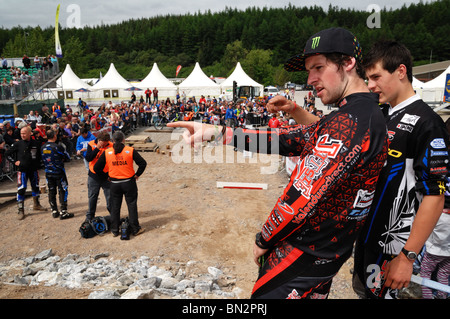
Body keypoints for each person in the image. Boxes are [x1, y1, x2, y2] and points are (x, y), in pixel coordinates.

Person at [168, 27, 389, 299]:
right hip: (323, 256)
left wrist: (265, 238)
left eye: (318, 67)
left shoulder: (351, 121)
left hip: (303, 256)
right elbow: (291, 139)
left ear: (348, 63)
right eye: (309, 70)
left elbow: (303, 193)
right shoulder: (359, 114)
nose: (311, 79)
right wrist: (219, 132)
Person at [352, 40, 450, 299]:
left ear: (401, 71)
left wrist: (407, 257)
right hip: (367, 239)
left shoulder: (428, 123)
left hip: (394, 248)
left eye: (376, 77)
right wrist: (296, 112)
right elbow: (341, 136)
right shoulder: (381, 113)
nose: (370, 85)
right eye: (367, 78)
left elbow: (435, 195)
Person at [94, 131, 147, 238]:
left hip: (114, 183)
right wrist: (137, 174)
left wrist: (106, 176)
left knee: (115, 207)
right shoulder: (130, 150)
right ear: (124, 140)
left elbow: (96, 168)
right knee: (131, 205)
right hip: (129, 183)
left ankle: (114, 230)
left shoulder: (107, 152)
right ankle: (135, 228)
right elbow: (143, 163)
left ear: (112, 141)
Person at [5, 126, 46, 220]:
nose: (22, 135)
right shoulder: (18, 144)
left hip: (34, 170)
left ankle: (37, 204)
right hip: (22, 170)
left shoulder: (36, 143)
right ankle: (21, 209)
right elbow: (7, 154)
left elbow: (40, 155)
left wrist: (41, 164)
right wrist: (14, 161)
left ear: (30, 133)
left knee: (35, 186)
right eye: (21, 134)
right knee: (21, 188)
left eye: (24, 133)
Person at [41, 129, 73, 219]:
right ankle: (63, 211)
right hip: (59, 172)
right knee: (63, 189)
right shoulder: (57, 146)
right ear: (54, 136)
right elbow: (67, 157)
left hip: (48, 172)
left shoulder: (42, 147)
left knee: (51, 190)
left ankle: (54, 210)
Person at [84, 131, 113, 221]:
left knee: (110, 197)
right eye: (103, 143)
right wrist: (97, 148)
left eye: (106, 143)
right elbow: (88, 158)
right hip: (94, 176)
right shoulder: (91, 144)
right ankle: (90, 216)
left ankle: (113, 215)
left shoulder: (111, 145)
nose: (105, 145)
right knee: (93, 196)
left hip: (106, 176)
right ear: (99, 140)